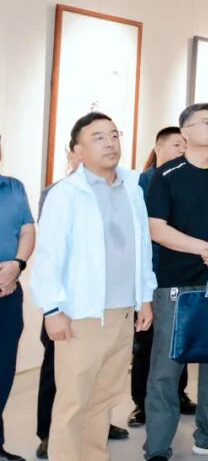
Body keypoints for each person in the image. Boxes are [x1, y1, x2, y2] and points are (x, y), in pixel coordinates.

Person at [30, 112, 156, 461]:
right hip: (81, 313)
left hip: (122, 311)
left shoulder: (132, 188)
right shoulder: (66, 194)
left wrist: (144, 298)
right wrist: (52, 309)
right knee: (74, 401)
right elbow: (49, 256)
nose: (110, 143)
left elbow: (142, 247)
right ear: (77, 150)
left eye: (114, 135)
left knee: (103, 399)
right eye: (98, 137)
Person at [144, 103, 208, 461]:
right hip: (178, 286)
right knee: (166, 370)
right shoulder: (166, 175)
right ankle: (157, 446)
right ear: (185, 132)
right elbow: (157, 229)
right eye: (206, 122)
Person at [131, 127, 194, 429]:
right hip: (151, 273)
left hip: (178, 272)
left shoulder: (185, 179)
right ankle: (141, 404)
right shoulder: (143, 183)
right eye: (176, 144)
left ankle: (178, 395)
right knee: (147, 343)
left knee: (178, 338)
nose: (182, 150)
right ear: (158, 148)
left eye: (185, 145)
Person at [1, 134, 36, 461]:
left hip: (8, 290)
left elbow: (27, 229)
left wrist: (17, 264)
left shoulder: (13, 187)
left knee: (3, 369)